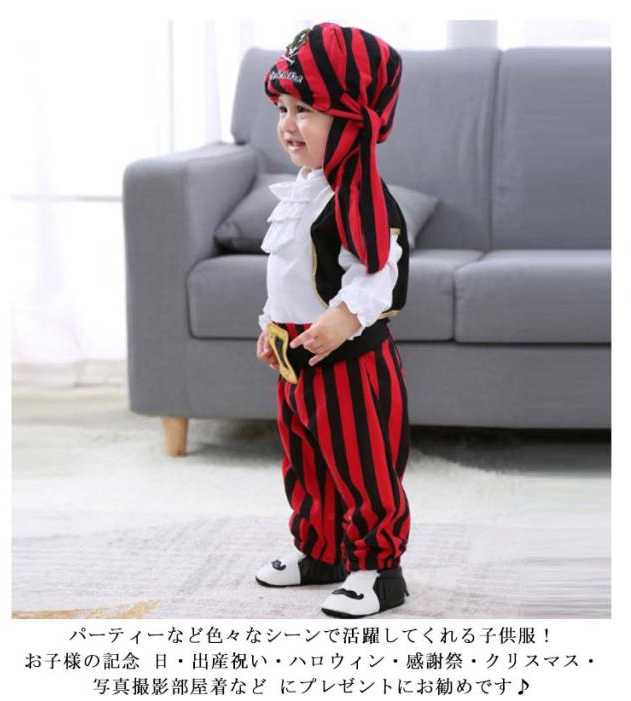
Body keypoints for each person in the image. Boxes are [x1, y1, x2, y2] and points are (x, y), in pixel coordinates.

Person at [254, 22, 411, 618]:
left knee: (361, 464)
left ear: (351, 119)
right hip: (296, 358)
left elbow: (378, 271)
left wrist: (345, 318)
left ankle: (378, 568)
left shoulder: (360, 198)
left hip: (347, 362)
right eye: (283, 109)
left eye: (306, 111)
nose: (288, 124)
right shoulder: (305, 190)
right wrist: (270, 324)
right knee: (306, 461)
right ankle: (319, 549)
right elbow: (289, 272)